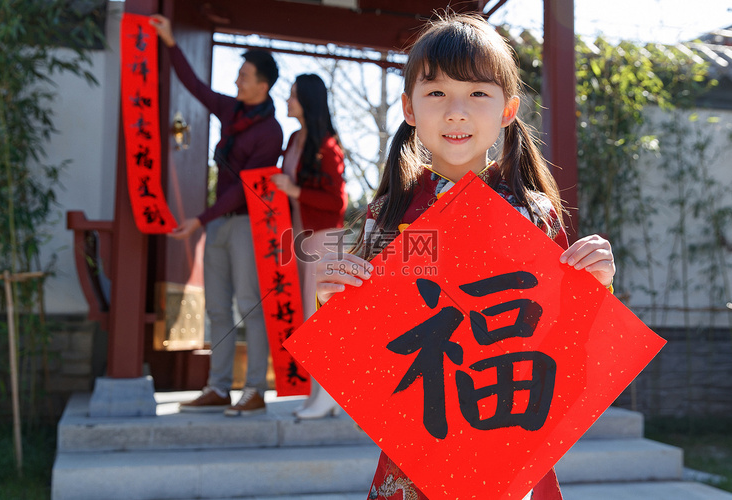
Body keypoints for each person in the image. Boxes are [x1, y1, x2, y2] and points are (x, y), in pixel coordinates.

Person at [314, 13, 616, 500]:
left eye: (478, 93)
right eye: (436, 93)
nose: (456, 111)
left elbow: (572, 347)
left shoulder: (533, 213)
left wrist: (594, 286)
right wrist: (336, 307)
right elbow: (369, 361)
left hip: (511, 435)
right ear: (410, 108)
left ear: (508, 109)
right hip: (418, 447)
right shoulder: (388, 214)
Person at [150, 15, 283, 416]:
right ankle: (218, 387)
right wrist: (171, 41)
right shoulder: (231, 109)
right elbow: (194, 86)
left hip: (245, 225)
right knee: (217, 309)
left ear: (263, 84)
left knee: (249, 305)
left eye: (244, 74)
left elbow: (246, 186)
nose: (237, 79)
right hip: (219, 223)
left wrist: (199, 219)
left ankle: (256, 389)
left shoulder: (271, 131)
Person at [270, 74, 348, 419]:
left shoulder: (328, 146)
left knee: (320, 320)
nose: (287, 101)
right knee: (309, 318)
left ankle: (327, 396)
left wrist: (294, 190)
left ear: (308, 101)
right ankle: (321, 395)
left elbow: (337, 203)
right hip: (299, 239)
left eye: (293, 96)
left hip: (323, 241)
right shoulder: (294, 139)